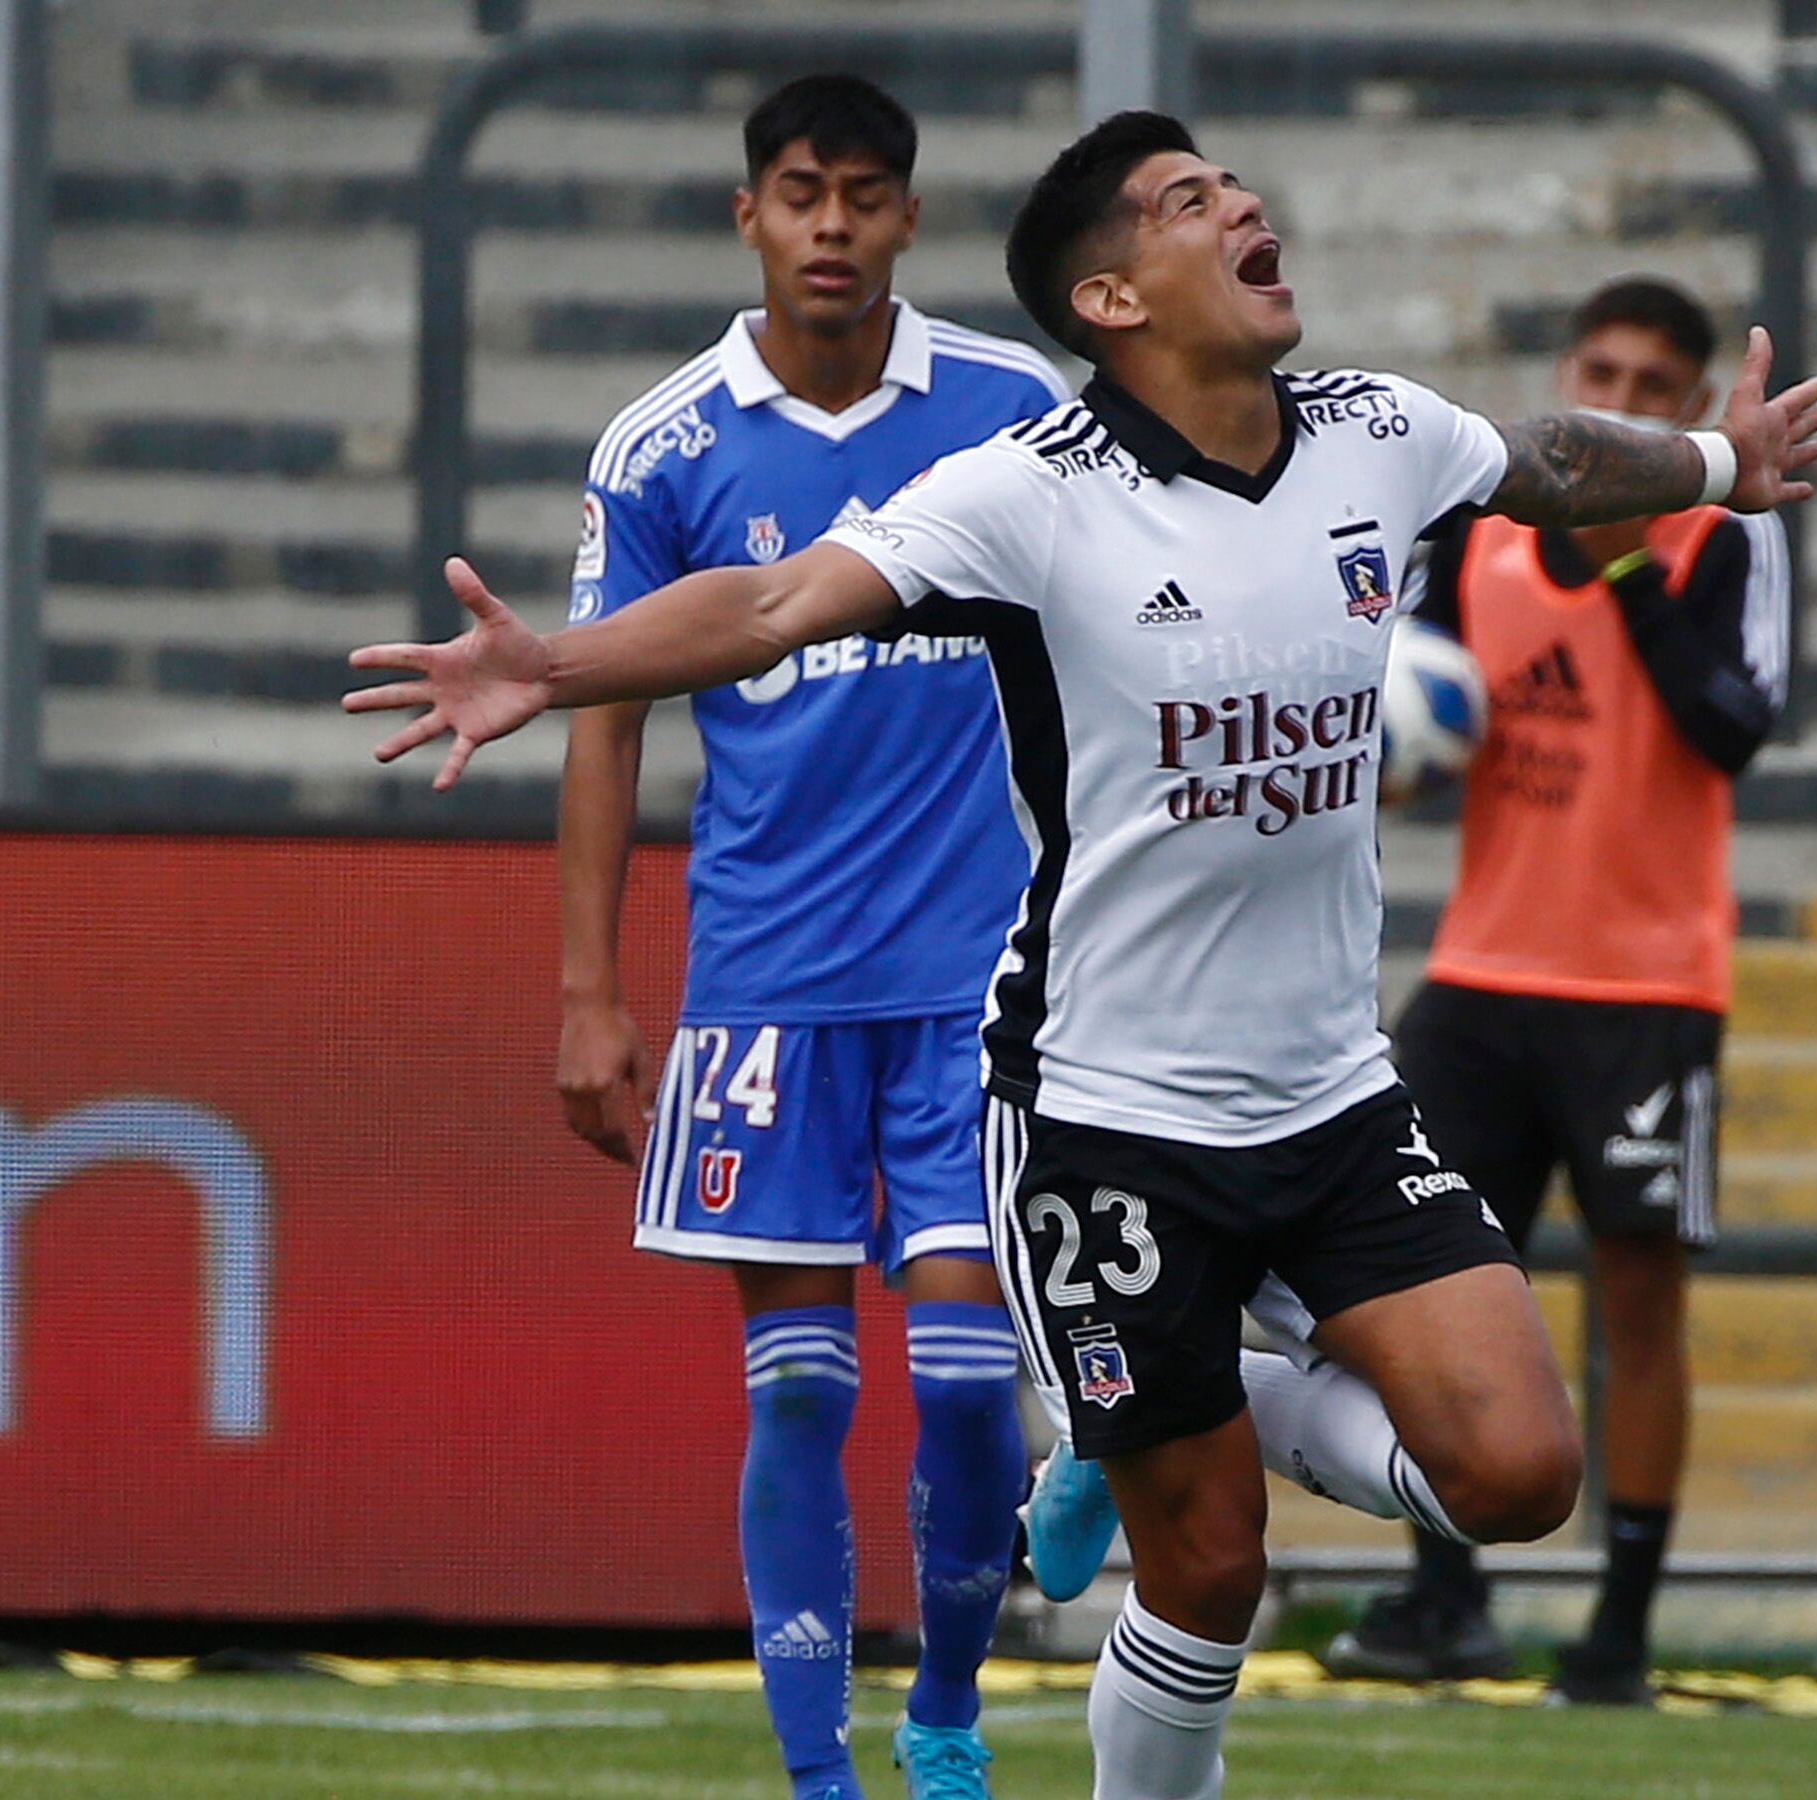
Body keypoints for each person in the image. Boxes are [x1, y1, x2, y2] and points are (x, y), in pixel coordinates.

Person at [348, 110, 1817, 1800]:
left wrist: (1718, 468)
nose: (1246, 206)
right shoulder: (1028, 495)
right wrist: (558, 665)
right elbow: (766, 610)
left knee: (1514, 1474)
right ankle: (1160, 1431)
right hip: (1102, 1116)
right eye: (1193, 203)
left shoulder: (1375, 433)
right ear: (1115, 297)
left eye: (1236, 187)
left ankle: (1215, 1399)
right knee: (1208, 1575)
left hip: (1335, 1098)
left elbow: (1546, 463)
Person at [547, 75, 1064, 1800]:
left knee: (978, 1382)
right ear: (747, 218)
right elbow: (605, 718)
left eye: (863, 196)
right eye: (797, 194)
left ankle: (948, 1708)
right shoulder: (666, 447)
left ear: (912, 218)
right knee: (796, 1396)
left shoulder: (1012, 409)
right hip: (767, 983)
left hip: (972, 983)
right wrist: (591, 993)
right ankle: (817, 1779)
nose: (830, 225)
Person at [1320, 275, 1788, 1703]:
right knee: (1420, 1283)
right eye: (1604, 371)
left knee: (1640, 1305)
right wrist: (1397, 750)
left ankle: (1620, 1637)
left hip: (1647, 985)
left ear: (1696, 406)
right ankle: (1443, 1597)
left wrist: (1630, 559)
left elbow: (1730, 730)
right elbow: (1400, 719)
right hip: (1480, 976)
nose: (1626, 400)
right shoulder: (1479, 542)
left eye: (1658, 383)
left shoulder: (1720, 542)